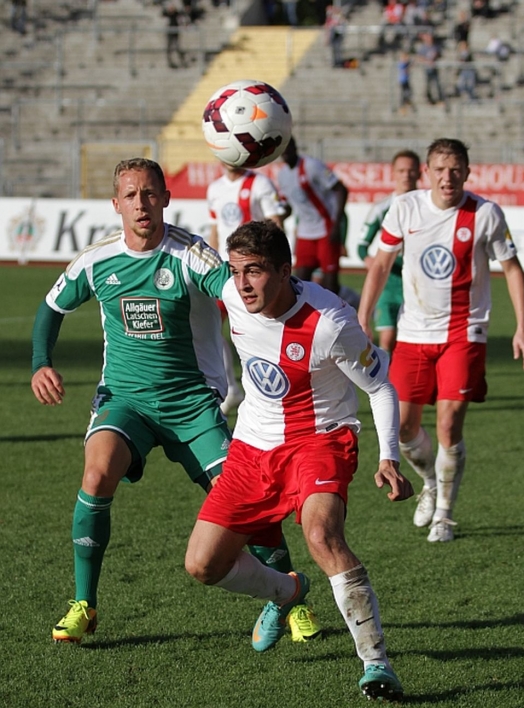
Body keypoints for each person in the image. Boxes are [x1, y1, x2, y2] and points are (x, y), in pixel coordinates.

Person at [30, 158, 315, 645]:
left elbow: (227, 287)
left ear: (164, 198)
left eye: (150, 193)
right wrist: (40, 361)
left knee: (243, 501)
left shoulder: (190, 255)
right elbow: (51, 307)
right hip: (125, 400)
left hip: (192, 403)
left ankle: (289, 597)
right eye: (131, 195)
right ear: (116, 204)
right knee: (96, 475)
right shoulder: (97, 261)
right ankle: (84, 603)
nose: (141, 203)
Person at [183, 220, 414, 700]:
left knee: (321, 535)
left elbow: (380, 386)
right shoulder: (233, 294)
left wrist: (389, 455)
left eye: (256, 271)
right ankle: (286, 593)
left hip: (319, 442)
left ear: (285, 270)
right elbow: (191, 257)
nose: (243, 283)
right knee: (203, 565)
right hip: (250, 448)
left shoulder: (331, 322)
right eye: (236, 271)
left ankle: (376, 663)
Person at [358, 138, 524, 543]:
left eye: (455, 169)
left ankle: (444, 515)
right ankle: (431, 484)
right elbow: (381, 263)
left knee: (449, 422)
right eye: (439, 169)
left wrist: (523, 327)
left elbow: (511, 268)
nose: (447, 177)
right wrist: (363, 317)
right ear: (427, 173)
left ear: (468, 172)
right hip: (414, 332)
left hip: (464, 330)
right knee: (403, 428)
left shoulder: (486, 213)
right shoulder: (405, 208)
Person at [206, 162, 289, 415]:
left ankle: (276, 387)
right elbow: (214, 230)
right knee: (209, 325)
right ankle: (231, 389)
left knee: (264, 328)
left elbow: (275, 227)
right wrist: (211, 265)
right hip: (225, 272)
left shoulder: (260, 184)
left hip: (255, 273)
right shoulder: (215, 188)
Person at [357, 149, 421, 353]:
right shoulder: (382, 207)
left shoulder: (427, 206)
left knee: (414, 342)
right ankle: (387, 383)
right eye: (401, 170)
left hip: (418, 282)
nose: (406, 175)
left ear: (419, 173)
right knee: (387, 340)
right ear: (393, 173)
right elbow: (361, 246)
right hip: (388, 283)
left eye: (411, 171)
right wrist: (372, 264)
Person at [277, 137, 348, 297]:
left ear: (295, 147)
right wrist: (277, 218)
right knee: (298, 282)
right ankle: (306, 317)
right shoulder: (282, 176)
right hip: (305, 232)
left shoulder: (311, 166)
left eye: (289, 148)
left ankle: (337, 313)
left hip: (326, 228)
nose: (286, 153)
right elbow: (289, 205)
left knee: (330, 282)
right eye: (283, 149)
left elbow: (341, 189)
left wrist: (337, 224)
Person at [417, 31, 444, 105]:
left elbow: (439, 54)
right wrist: (427, 61)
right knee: (428, 84)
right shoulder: (423, 48)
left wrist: (435, 56)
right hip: (427, 69)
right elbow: (419, 57)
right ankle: (429, 99)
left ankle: (439, 99)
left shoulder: (435, 47)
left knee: (437, 84)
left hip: (434, 68)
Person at [163, 3, 185, 69]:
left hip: (175, 34)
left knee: (177, 47)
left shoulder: (177, 14)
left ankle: (181, 62)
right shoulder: (167, 15)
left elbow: (181, 20)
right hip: (170, 34)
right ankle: (170, 62)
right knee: (169, 48)